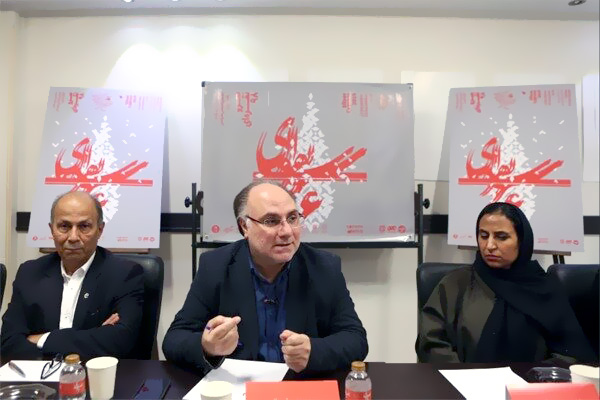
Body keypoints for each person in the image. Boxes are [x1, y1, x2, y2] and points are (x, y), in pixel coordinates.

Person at [163, 180, 368, 374]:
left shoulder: (324, 267)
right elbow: (174, 339)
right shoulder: (215, 266)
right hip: (240, 385)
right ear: (244, 227)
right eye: (271, 221)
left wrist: (314, 351)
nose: (286, 231)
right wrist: (207, 346)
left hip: (298, 385)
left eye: (292, 218)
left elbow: (356, 339)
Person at [417, 202, 595, 364]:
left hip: (531, 385)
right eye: (483, 235)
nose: (489, 245)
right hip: (463, 384)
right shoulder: (455, 284)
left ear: (522, 240)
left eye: (501, 237)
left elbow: (571, 354)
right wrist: (465, 378)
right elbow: (431, 343)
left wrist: (534, 377)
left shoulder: (544, 289)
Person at [1, 191, 144, 361]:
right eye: (64, 226)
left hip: (94, 373)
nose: (73, 237)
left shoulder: (124, 274)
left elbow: (120, 341)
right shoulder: (30, 272)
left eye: (84, 226)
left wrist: (42, 339)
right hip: (38, 372)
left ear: (99, 230)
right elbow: (8, 342)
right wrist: (94, 335)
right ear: (51, 229)